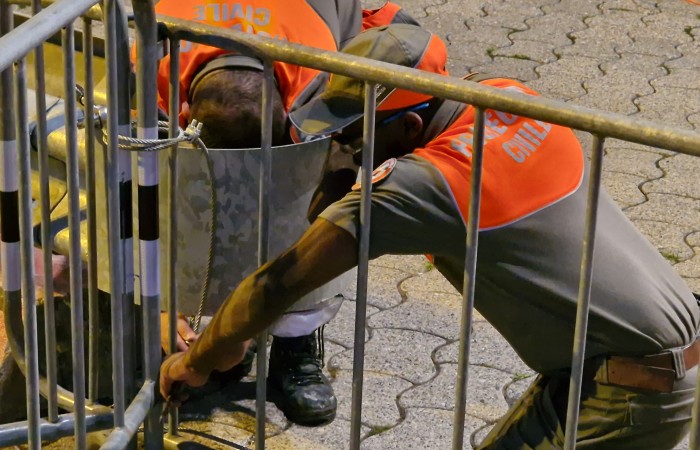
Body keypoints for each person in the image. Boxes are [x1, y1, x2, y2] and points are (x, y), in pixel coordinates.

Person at [159, 23, 700, 447]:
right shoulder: (506, 97)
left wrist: (202, 357)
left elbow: (281, 282)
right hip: (636, 351)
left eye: (356, 132)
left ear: (411, 129)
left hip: (629, 388)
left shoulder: (426, 184)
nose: (347, 146)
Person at [147, 0, 421, 427]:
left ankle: (295, 340)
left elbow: (337, 152)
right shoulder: (158, 54)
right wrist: (169, 297)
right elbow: (148, 165)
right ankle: (209, 316)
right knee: (177, 180)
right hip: (233, 69)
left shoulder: (318, 66)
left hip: (312, 41)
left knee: (306, 192)